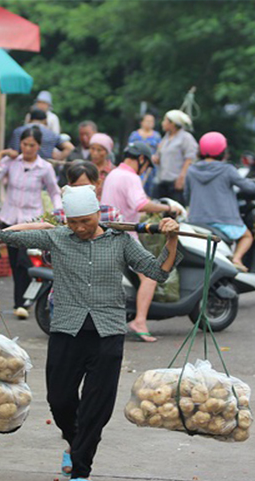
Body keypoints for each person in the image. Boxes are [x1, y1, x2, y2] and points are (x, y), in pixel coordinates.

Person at [0, 186, 181, 481]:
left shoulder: (120, 241)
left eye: (86, 221)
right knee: (59, 400)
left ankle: (81, 468)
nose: (80, 228)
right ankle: (75, 442)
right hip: (66, 330)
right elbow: (6, 235)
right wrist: (42, 226)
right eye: (74, 222)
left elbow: (158, 272)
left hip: (107, 332)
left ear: (98, 213)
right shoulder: (57, 237)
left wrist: (171, 238)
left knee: (97, 405)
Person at [101, 142, 183, 342]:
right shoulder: (131, 177)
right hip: (126, 236)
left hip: (106, 233)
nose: (145, 169)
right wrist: (168, 208)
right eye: (147, 165)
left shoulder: (114, 174)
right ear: (141, 159)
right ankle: (139, 321)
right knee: (151, 276)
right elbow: (140, 204)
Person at [0, 126, 63, 320]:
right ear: (19, 144)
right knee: (14, 262)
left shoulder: (44, 167)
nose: (28, 149)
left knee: (23, 260)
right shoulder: (11, 162)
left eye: (32, 145)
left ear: (39, 146)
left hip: (31, 220)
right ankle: (20, 302)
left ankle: (23, 301)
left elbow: (54, 191)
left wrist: (58, 212)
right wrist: (2, 154)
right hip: (10, 218)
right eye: (25, 144)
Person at [185, 132, 255, 272]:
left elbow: (187, 195)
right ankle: (237, 259)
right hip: (223, 221)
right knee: (247, 236)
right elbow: (247, 186)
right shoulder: (227, 169)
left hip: (196, 220)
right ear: (223, 151)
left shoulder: (191, 170)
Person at [153, 110, 198, 204]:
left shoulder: (186, 138)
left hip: (176, 182)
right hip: (162, 180)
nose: (163, 123)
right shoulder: (165, 138)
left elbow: (189, 159)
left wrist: (182, 177)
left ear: (172, 123)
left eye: (165, 120)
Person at [9, 109, 73, 161]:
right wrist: (58, 158)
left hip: (21, 166)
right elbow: (70, 147)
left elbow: (13, 152)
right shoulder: (51, 134)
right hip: (45, 166)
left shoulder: (18, 131)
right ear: (45, 121)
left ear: (29, 119)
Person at [128, 113, 163, 195]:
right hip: (137, 165)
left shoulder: (157, 136)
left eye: (151, 121)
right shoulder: (134, 135)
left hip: (151, 168)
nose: (149, 123)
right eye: (147, 121)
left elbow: (160, 151)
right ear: (142, 122)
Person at [88, 133, 115, 198]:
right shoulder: (85, 169)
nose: (95, 153)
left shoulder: (113, 172)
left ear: (107, 152)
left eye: (99, 150)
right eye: (92, 149)